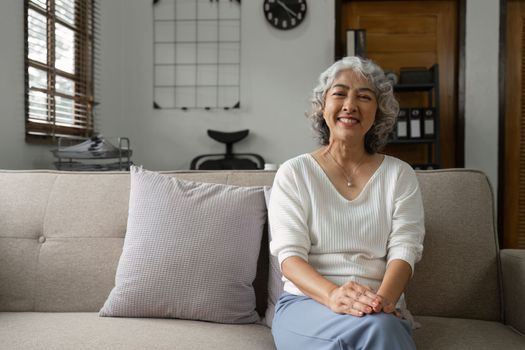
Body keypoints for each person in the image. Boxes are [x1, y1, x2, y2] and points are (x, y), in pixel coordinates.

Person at [268, 56, 425, 350]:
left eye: (364, 97)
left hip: (379, 305)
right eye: (339, 93)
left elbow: (405, 250)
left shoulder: (399, 175)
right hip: (308, 302)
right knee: (379, 333)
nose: (350, 105)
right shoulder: (295, 173)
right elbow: (289, 259)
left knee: (380, 329)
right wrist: (332, 296)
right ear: (322, 106)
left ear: (378, 112)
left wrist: (382, 302)